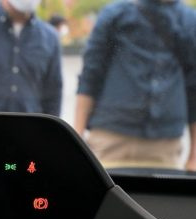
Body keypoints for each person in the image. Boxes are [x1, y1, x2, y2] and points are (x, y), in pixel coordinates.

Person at [75, 0, 196, 170]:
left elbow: (193, 87)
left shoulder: (190, 20)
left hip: (165, 144)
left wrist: (194, 155)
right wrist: (77, 139)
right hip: (111, 139)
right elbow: (90, 77)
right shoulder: (115, 14)